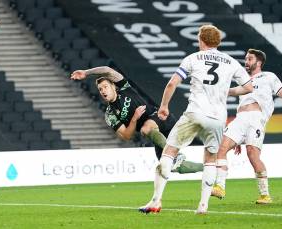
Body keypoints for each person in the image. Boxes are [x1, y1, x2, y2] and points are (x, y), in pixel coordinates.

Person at [138, 25, 253, 214]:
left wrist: (164, 106)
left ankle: (156, 201)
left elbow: (172, 83)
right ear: (218, 42)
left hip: (195, 113)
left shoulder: (193, 58)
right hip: (217, 118)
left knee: (169, 152)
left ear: (201, 39)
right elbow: (249, 88)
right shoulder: (231, 62)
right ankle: (203, 206)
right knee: (210, 159)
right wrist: (227, 92)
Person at [212, 49, 282, 208]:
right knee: (221, 148)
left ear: (259, 62)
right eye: (246, 59)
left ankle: (265, 194)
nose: (246, 62)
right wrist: (221, 91)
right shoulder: (243, 80)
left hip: (256, 119)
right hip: (240, 120)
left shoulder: (269, 77)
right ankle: (220, 187)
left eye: (249, 59)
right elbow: (235, 92)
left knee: (253, 156)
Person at [70, 66, 203, 174]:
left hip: (161, 118)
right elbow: (127, 135)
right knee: (169, 167)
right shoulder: (110, 114)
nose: (103, 91)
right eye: (100, 89)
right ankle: (208, 168)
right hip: (155, 135)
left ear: (113, 86)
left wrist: (86, 73)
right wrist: (134, 119)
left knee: (146, 128)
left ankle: (176, 155)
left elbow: (107, 70)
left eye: (105, 86)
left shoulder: (124, 87)